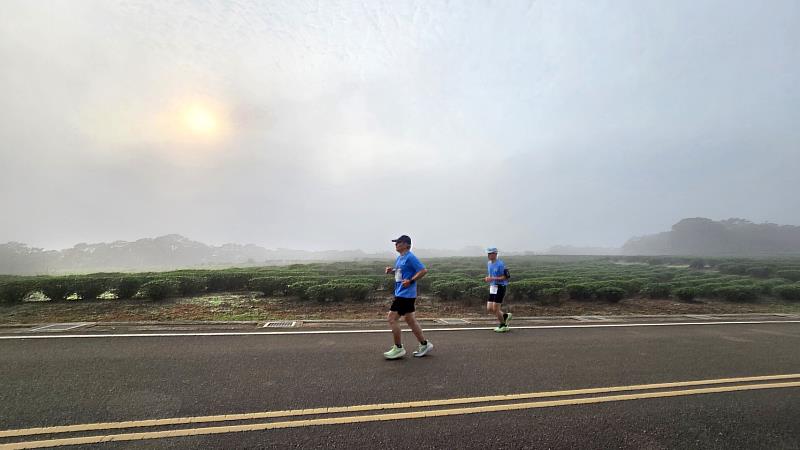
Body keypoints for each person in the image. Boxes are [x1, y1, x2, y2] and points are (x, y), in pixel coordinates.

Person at [383, 235, 433, 359]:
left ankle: (398, 348)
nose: (396, 245)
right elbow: (401, 273)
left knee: (392, 318)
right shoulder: (400, 258)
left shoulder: (410, 257)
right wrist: (392, 271)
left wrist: (410, 281)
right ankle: (424, 344)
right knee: (410, 320)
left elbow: (423, 270)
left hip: (405, 294)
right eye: (395, 243)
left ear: (406, 244)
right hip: (402, 293)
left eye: (398, 242)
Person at [485, 247, 512, 332]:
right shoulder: (489, 263)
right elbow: (491, 274)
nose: (489, 255)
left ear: (495, 254)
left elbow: (506, 277)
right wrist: (488, 278)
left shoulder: (501, 264)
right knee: (489, 308)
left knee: (495, 308)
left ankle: (503, 325)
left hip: (500, 286)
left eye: (491, 253)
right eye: (488, 253)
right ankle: (505, 316)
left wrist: (492, 278)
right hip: (492, 287)